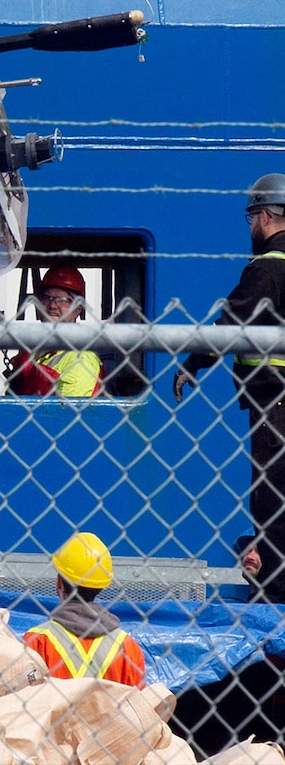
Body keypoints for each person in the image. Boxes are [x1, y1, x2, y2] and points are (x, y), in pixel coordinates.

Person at [174, 173, 285, 604]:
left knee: (271, 501)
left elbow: (232, 323)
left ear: (264, 216)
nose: (251, 226)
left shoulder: (268, 268)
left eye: (251, 217)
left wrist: (193, 364)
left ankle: (274, 599)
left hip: (275, 402)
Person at [23, 532, 146, 687]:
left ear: (59, 583)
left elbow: (23, 697)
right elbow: (138, 701)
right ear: (100, 587)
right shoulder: (128, 647)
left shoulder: (37, 641)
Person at [6, 264, 105, 397]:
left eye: (62, 300)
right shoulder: (32, 349)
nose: (52, 305)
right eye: (47, 298)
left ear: (78, 309)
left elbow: (70, 409)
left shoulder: (81, 359)